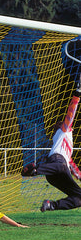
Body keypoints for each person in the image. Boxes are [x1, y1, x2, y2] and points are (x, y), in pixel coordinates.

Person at [22, 80, 81, 212]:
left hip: (56, 173)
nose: (67, 124)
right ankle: (35, 169)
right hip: (55, 164)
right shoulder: (63, 131)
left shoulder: (67, 144)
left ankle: (51, 205)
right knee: (61, 165)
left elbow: (71, 164)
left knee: (79, 198)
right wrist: (77, 95)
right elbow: (71, 114)